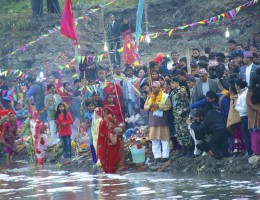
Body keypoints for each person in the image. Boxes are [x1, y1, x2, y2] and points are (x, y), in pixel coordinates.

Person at [144, 81, 171, 163]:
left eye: (155, 87)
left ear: (159, 87)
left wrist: (158, 106)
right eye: (152, 87)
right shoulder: (149, 97)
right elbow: (145, 106)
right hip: (153, 121)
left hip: (162, 121)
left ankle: (165, 156)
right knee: (154, 139)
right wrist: (150, 106)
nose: (153, 88)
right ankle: (157, 156)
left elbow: (168, 106)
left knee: (164, 139)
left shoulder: (165, 96)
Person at [170, 78, 193, 157]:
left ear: (177, 83)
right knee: (179, 133)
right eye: (171, 83)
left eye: (173, 83)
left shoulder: (182, 91)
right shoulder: (172, 93)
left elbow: (187, 103)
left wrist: (186, 114)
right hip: (176, 116)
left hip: (183, 116)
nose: (171, 84)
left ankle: (189, 150)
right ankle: (183, 150)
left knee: (185, 133)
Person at [235, 79, 252, 156]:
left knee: (247, 135)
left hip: (245, 117)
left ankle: (250, 151)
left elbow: (244, 109)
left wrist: (235, 107)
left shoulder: (243, 95)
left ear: (238, 86)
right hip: (247, 116)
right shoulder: (244, 92)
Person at [246, 75, 260, 155]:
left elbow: (248, 103)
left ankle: (256, 151)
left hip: (253, 113)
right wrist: (258, 109)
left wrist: (256, 109)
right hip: (255, 113)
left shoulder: (250, 91)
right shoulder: (251, 91)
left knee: (255, 132)